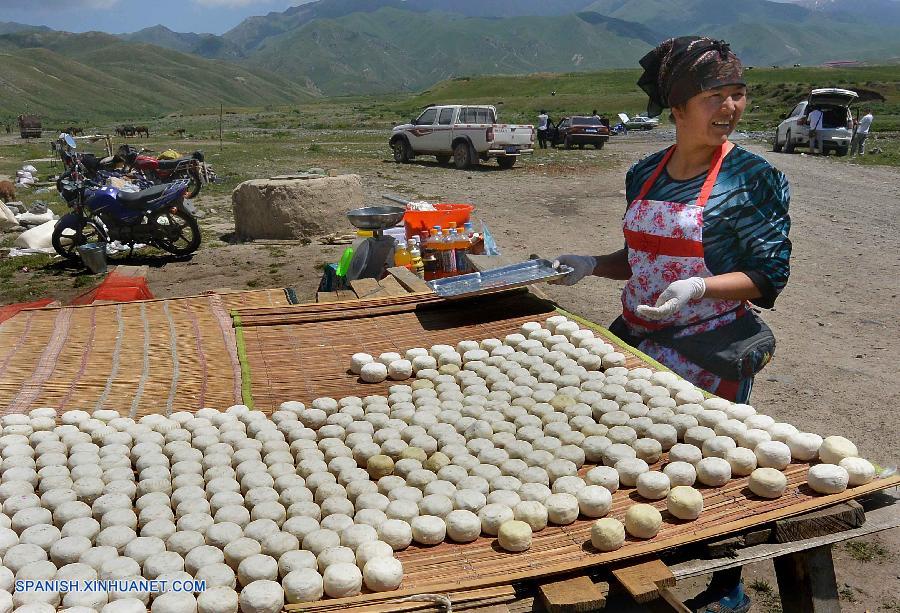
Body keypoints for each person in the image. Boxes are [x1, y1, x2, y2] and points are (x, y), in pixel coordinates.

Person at [553, 36, 792, 613]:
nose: (730, 109)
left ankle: (727, 584)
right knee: (638, 465)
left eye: (738, 95)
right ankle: (635, 566)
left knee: (712, 470)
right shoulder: (644, 172)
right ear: (678, 109)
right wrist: (592, 265)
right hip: (639, 347)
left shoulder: (752, 178)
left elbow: (768, 273)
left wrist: (701, 286)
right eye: (716, 97)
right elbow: (639, 258)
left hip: (708, 353)